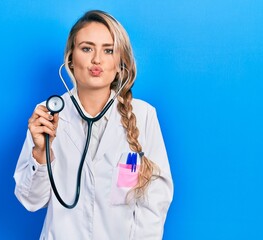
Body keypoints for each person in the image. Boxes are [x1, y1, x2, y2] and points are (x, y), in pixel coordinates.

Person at [14, 10, 173, 240]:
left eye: (108, 50)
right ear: (70, 58)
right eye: (87, 48)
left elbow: (155, 201)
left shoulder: (143, 115)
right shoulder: (47, 116)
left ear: (120, 63)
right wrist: (41, 152)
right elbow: (31, 201)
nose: (97, 59)